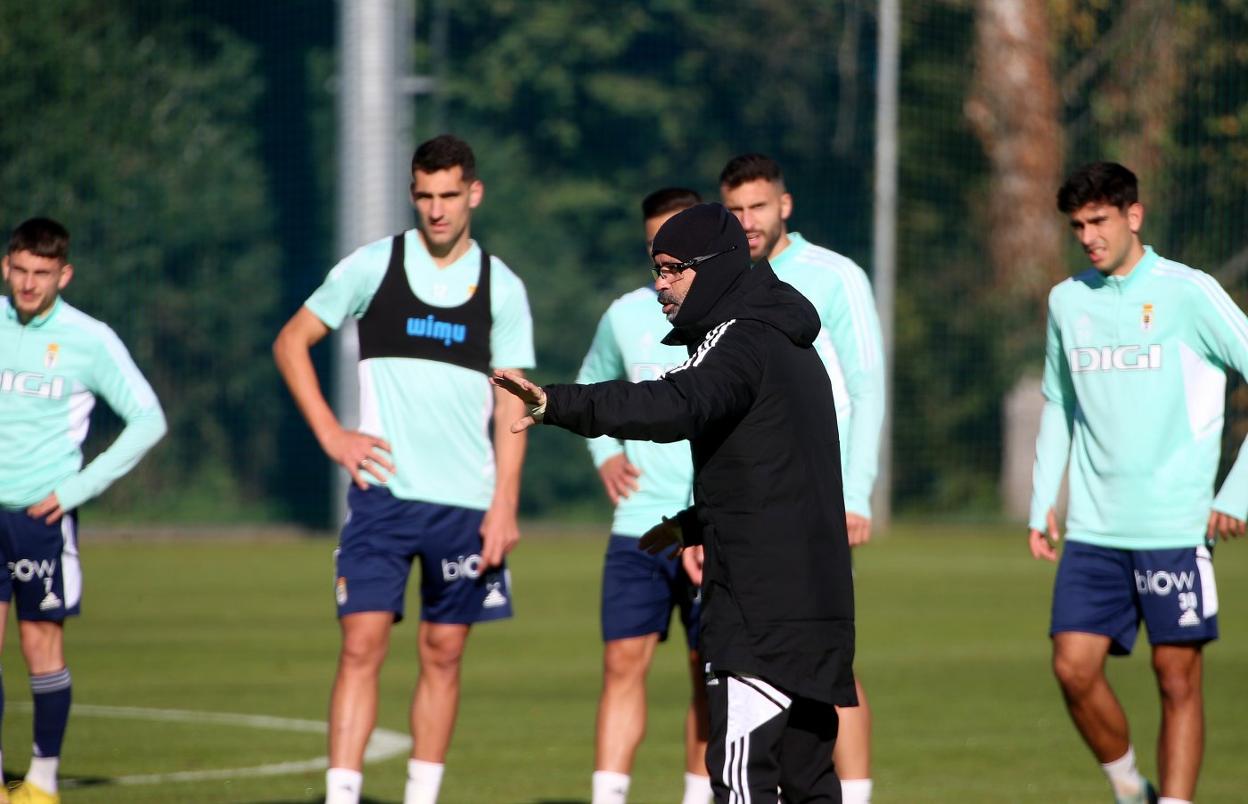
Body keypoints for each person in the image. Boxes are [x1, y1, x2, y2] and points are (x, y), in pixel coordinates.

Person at [494, 203, 856, 803]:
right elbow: (776, 476)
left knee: (742, 781)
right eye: (656, 270)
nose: (658, 286)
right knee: (808, 781)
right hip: (815, 605)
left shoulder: (740, 339)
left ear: (710, 269)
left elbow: (677, 405)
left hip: (760, 612)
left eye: (671, 270)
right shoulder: (785, 339)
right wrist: (693, 523)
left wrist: (558, 404)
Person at [272, 134, 535, 804]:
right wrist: (333, 434)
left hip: (466, 505)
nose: (438, 210)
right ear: (412, 195)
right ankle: (342, 795)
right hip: (382, 496)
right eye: (425, 196)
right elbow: (291, 341)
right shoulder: (372, 266)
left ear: (474, 193)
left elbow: (515, 402)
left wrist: (505, 502)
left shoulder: (501, 287)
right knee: (361, 645)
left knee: (443, 654)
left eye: (450, 195)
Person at [1028, 162, 1248, 804]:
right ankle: (1131, 789)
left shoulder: (1189, 292)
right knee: (1072, 668)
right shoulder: (1067, 300)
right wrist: (1044, 500)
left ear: (1134, 216)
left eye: (1099, 221)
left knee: (1176, 679)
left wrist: (1237, 494)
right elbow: (1058, 404)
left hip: (1175, 528)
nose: (1088, 236)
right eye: (1078, 226)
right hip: (1095, 529)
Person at [720, 153, 884, 804]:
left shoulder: (834, 277)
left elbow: (866, 388)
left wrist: (856, 492)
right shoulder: (722, 281)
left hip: (819, 504)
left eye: (758, 206)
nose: (747, 221)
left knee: (824, 660)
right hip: (750, 511)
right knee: (745, 659)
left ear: (784, 206)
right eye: (733, 210)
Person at [0, 218, 167, 804]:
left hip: (41, 518)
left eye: (41, 274)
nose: (28, 284)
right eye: (19, 270)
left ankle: (42, 783)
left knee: (40, 645)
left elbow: (149, 420)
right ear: (5, 266)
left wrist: (76, 490)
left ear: (63, 274)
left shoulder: (89, 338)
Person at [576, 188, 710, 804]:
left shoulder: (725, 318)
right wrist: (605, 455)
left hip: (710, 529)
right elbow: (589, 382)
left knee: (708, 674)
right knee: (622, 665)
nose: (665, 253)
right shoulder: (625, 314)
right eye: (656, 243)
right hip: (638, 525)